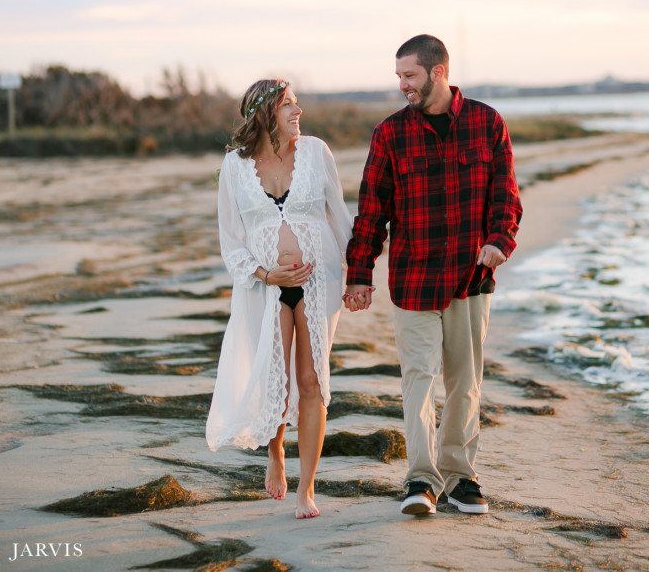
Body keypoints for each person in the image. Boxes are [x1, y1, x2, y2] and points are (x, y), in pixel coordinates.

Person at [344, 34, 523, 516]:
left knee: (464, 383)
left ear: (437, 72)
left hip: (471, 278)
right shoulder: (390, 134)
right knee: (419, 380)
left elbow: (505, 195)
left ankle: (462, 479)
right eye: (399, 76)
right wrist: (359, 274)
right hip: (414, 280)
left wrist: (499, 240)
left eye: (410, 76)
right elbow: (371, 210)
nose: (402, 85)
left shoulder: (487, 123)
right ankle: (421, 479)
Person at [206, 79, 353, 520]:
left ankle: (307, 490)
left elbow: (340, 216)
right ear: (266, 111)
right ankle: (276, 454)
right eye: (288, 104)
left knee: (311, 383)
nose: (298, 110)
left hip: (318, 282)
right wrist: (266, 273)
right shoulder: (234, 166)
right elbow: (230, 238)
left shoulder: (316, 152)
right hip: (262, 286)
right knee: (276, 379)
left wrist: (358, 275)